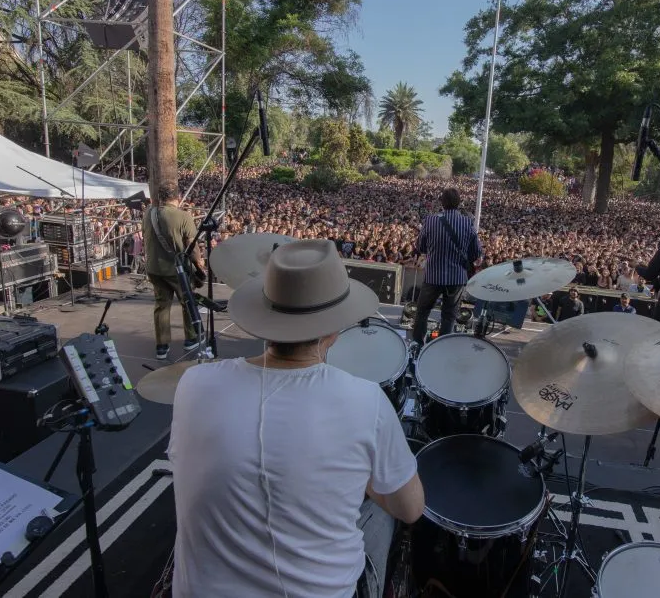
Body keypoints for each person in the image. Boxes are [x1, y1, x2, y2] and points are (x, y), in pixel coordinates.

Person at [169, 239, 424, 597]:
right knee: (384, 511)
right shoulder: (366, 401)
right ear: (334, 329)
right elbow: (411, 508)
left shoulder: (194, 384)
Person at [142, 184, 206, 360]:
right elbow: (192, 247)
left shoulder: (149, 214)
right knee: (187, 301)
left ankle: (161, 346)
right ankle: (191, 338)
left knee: (162, 305)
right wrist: (199, 265)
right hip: (175, 269)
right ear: (178, 196)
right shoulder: (183, 216)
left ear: (160, 197)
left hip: (154, 267)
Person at [412, 187, 483, 346]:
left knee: (422, 311)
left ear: (442, 202)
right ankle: (442, 347)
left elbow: (420, 247)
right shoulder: (467, 223)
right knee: (449, 316)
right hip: (456, 277)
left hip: (433, 276)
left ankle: (417, 345)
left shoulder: (430, 220)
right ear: (459, 203)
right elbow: (476, 253)